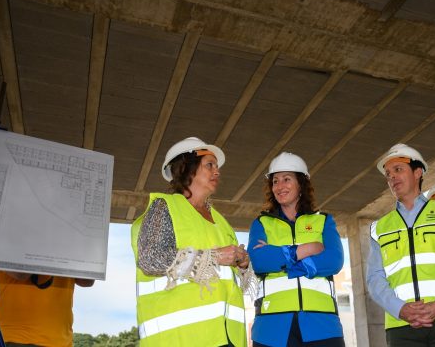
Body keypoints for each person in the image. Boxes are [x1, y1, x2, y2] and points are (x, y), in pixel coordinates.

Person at [131, 137, 250, 346]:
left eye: (217, 166)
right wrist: (214, 257)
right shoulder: (164, 206)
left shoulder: (221, 221)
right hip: (179, 339)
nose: (217, 171)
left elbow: (229, 274)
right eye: (209, 165)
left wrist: (243, 264)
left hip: (226, 336)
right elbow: (151, 259)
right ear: (187, 168)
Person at [366, 144, 435, 347]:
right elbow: (374, 278)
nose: (392, 178)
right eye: (388, 174)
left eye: (398, 170)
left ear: (418, 172)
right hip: (401, 326)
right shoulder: (378, 228)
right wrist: (400, 309)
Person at [247, 152, 344, 347]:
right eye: (275, 181)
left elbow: (334, 260)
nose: (279, 186)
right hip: (271, 329)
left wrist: (284, 262)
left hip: (323, 326)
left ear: (301, 184)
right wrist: (305, 250)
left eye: (286, 179)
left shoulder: (323, 221)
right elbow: (258, 261)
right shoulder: (261, 223)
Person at [0, 271, 94, 347]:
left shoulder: (70, 242)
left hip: (62, 341)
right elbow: (21, 274)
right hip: (16, 338)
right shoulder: (9, 240)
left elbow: (87, 280)